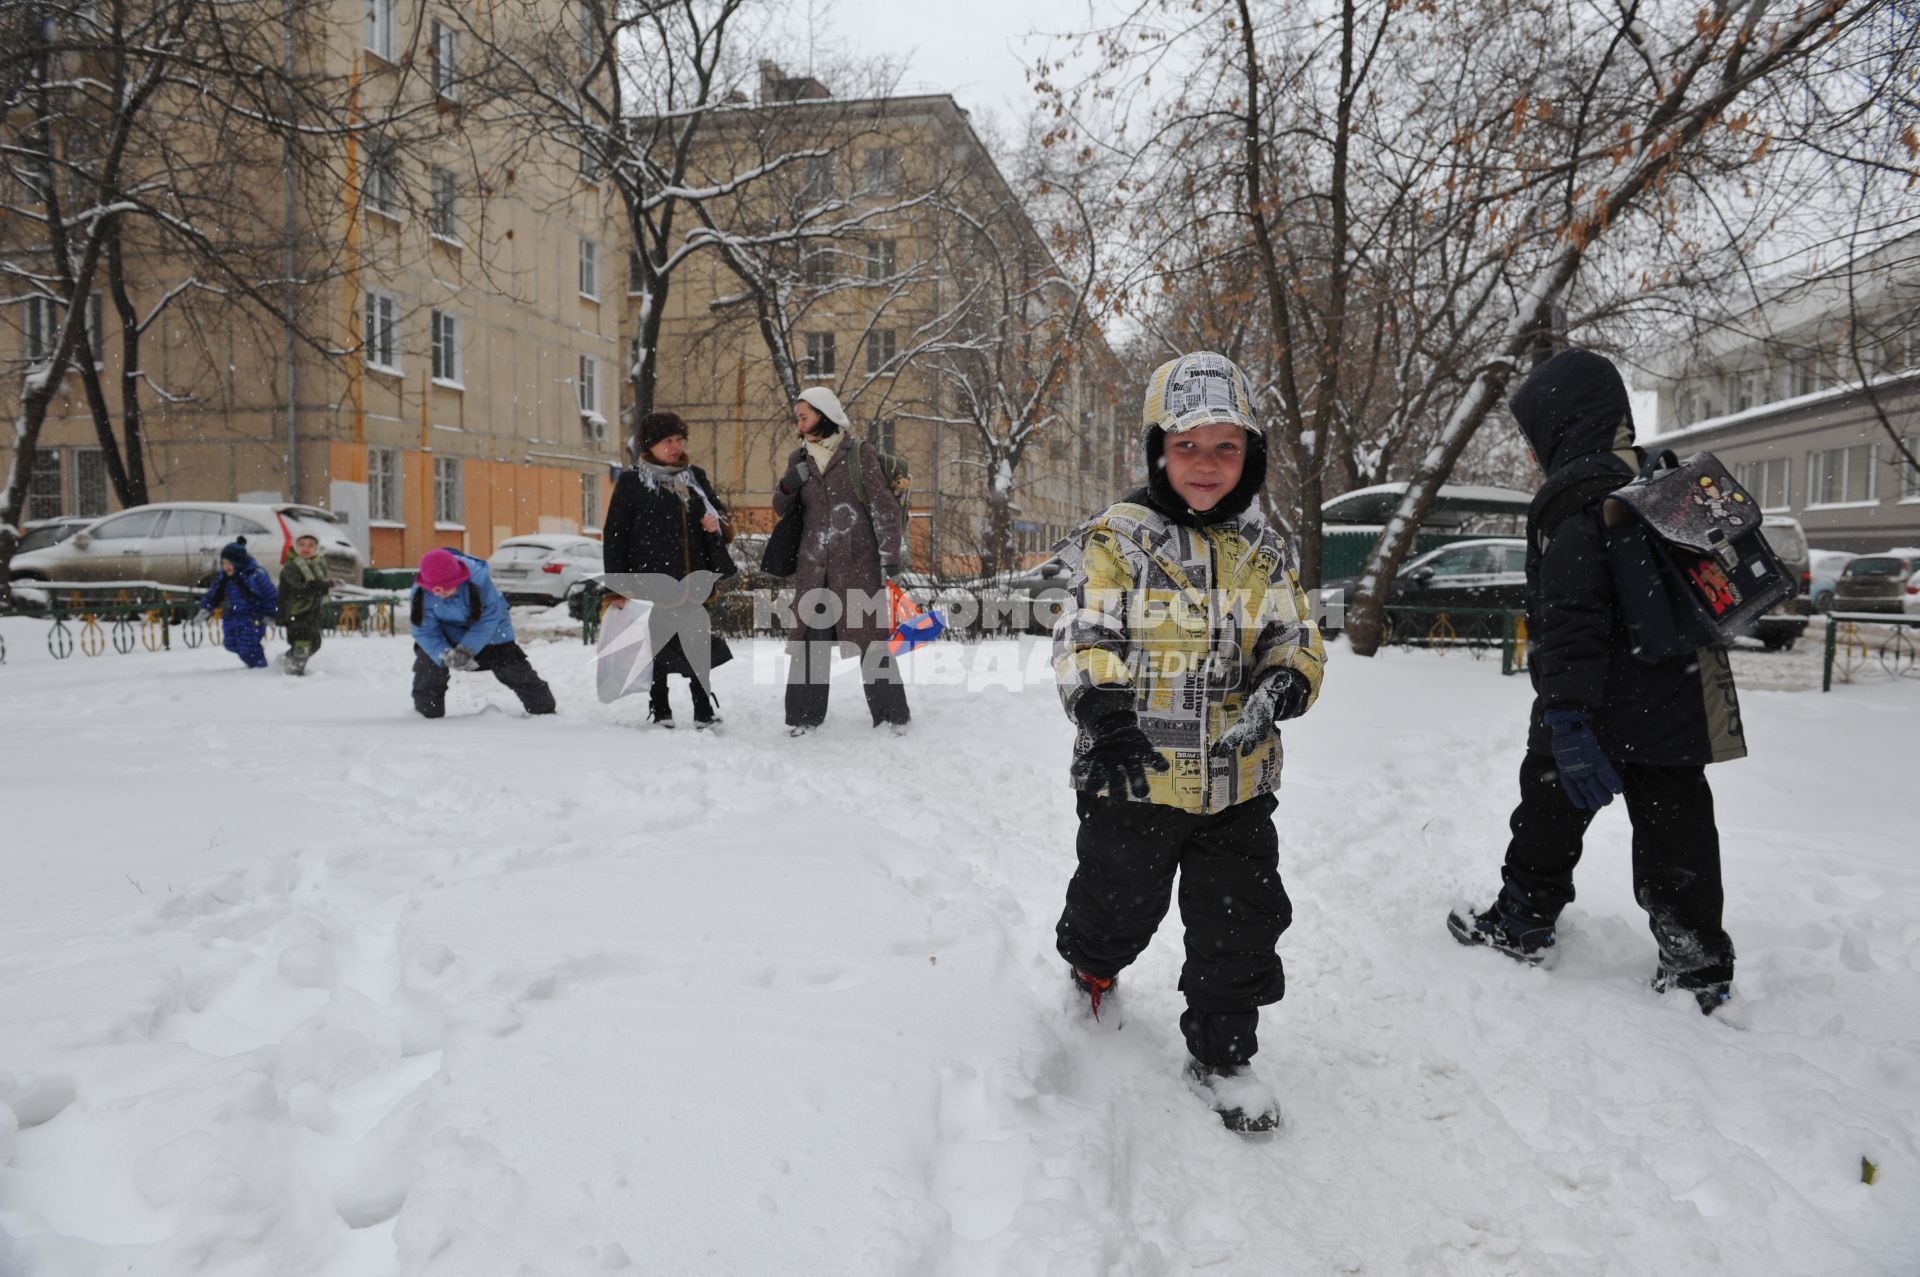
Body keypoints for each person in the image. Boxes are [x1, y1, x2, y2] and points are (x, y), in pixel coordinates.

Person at [1051, 351, 1325, 1135]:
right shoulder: (1120, 540)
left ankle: (1223, 1051)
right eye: (1187, 446)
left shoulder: (1262, 552)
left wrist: (1282, 682)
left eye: (1226, 447)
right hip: (1131, 777)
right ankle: (1092, 961)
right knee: (1117, 901)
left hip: (1235, 782)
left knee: (1239, 924)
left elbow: (1295, 634)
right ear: (1156, 451)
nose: (1206, 465)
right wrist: (1103, 707)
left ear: (1251, 455)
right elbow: (1086, 628)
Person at [1448, 348, 1744, 1015]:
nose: (1532, 455)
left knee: (1548, 810)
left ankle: (1522, 918)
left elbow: (1572, 618)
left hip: (1595, 698)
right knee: (1678, 831)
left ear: (1564, 422)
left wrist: (1567, 718)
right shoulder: (1656, 479)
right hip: (1674, 696)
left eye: (1534, 437)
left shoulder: (1576, 495)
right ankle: (1696, 960)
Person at [773, 386, 909, 736]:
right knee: (809, 645)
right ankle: (804, 717)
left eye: (804, 415)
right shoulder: (798, 460)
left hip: (857, 565)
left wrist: (889, 557)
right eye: (798, 417)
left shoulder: (858, 454)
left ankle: (892, 716)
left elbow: (884, 508)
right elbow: (781, 508)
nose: (799, 423)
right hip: (813, 566)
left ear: (823, 415)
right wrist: (788, 486)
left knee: (870, 642)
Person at [602, 411, 736, 729]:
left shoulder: (694, 477)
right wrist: (616, 587)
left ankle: (703, 709)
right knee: (658, 649)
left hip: (692, 581)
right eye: (668, 441)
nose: (675, 447)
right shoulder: (633, 482)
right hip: (652, 584)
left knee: (697, 645)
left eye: (679, 440)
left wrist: (715, 523)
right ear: (651, 445)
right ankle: (660, 708)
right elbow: (615, 535)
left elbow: (722, 516)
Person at [410, 547, 557, 718]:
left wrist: (466, 650)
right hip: (446, 636)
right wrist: (444, 654)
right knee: (428, 668)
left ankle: (544, 713)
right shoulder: (420, 592)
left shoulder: (479, 580)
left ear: (458, 580)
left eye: (446, 588)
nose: (441, 594)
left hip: (492, 633)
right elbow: (424, 629)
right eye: (436, 590)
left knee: (514, 670)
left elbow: (488, 619)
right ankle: (427, 717)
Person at [198, 537, 278, 669]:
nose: (226, 567)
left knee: (248, 646)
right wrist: (206, 609)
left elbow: (270, 595)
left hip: (253, 617)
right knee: (230, 644)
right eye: (223, 563)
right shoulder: (223, 577)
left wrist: (271, 614)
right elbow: (213, 594)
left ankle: (260, 668)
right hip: (232, 616)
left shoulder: (255, 575)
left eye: (230, 563)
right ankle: (254, 662)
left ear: (239, 562)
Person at [277, 533, 332, 676]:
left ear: (316, 548)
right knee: (302, 641)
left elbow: (321, 584)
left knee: (315, 642)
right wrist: (320, 587)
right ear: (296, 547)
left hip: (311, 611)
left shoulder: (317, 564)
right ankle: (295, 670)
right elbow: (297, 589)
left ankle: (288, 660)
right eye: (302, 545)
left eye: (310, 545)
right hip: (296, 611)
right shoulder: (292, 566)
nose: (306, 548)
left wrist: (327, 586)